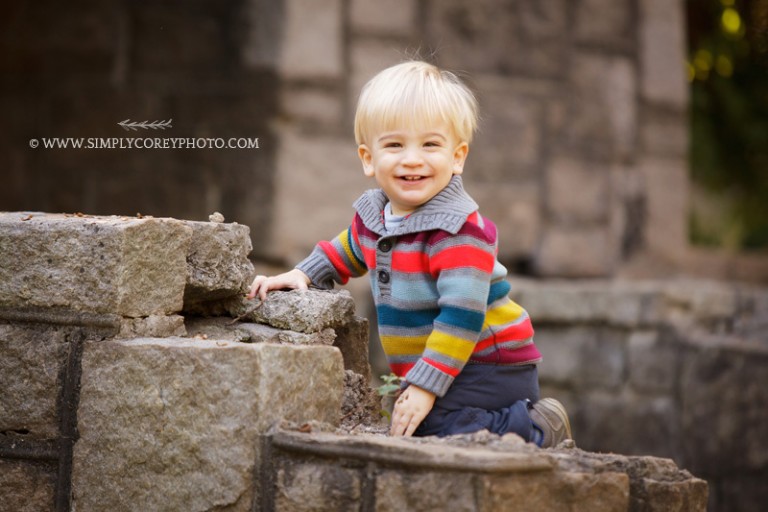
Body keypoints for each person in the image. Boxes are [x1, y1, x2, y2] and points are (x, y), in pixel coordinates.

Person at [248, 60, 572, 447]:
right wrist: (303, 273)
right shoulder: (376, 217)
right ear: (369, 159)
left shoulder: (458, 231)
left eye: (430, 144)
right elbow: (349, 248)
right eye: (395, 144)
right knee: (413, 422)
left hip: (488, 361)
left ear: (458, 156)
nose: (412, 158)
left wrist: (424, 386)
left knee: (429, 427)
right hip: (446, 362)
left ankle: (537, 425)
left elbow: (461, 317)